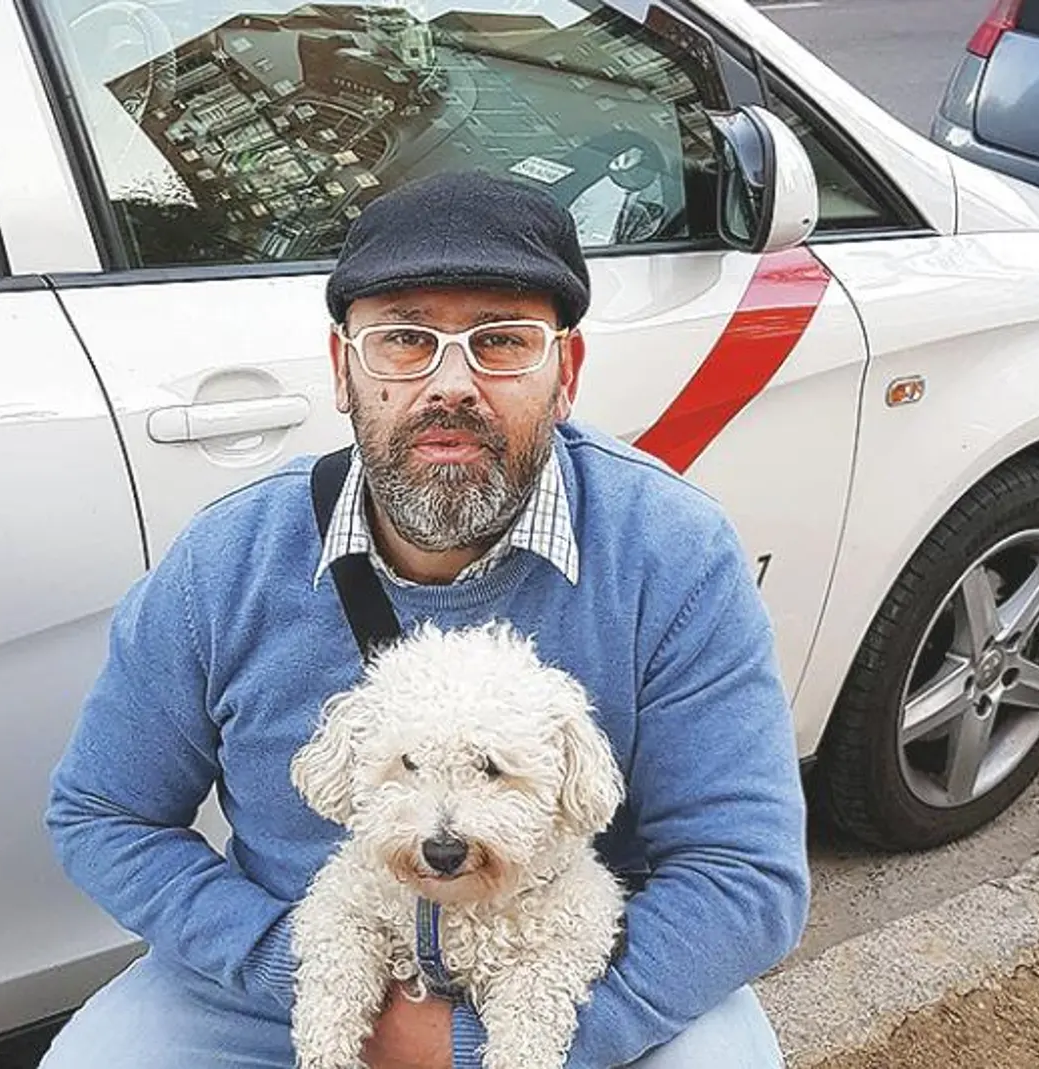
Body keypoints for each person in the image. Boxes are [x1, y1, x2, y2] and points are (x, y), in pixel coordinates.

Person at [41, 169, 811, 1068]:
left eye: (503, 341)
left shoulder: (674, 551)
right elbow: (102, 812)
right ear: (343, 369)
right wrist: (289, 966)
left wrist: (479, 1044)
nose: (453, 383)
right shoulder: (225, 559)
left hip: (572, 976)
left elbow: (745, 876)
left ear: (565, 373)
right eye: (405, 339)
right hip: (302, 962)